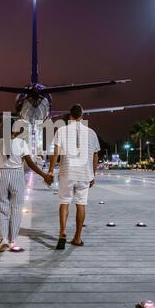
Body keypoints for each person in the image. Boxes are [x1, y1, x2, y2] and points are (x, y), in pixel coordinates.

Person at [0, 124, 53, 252]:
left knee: (0, 208)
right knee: (16, 208)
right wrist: (44, 175)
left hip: (2, 175)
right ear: (16, 131)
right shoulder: (21, 143)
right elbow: (30, 163)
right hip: (17, 175)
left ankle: (3, 239)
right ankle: (12, 241)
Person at [48, 104, 100, 250]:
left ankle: (62, 232)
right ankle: (77, 237)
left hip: (67, 172)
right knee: (81, 204)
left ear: (69, 116)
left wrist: (51, 171)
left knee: (64, 202)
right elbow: (96, 155)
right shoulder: (91, 132)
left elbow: (55, 152)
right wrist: (93, 175)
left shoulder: (62, 130)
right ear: (82, 116)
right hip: (84, 174)